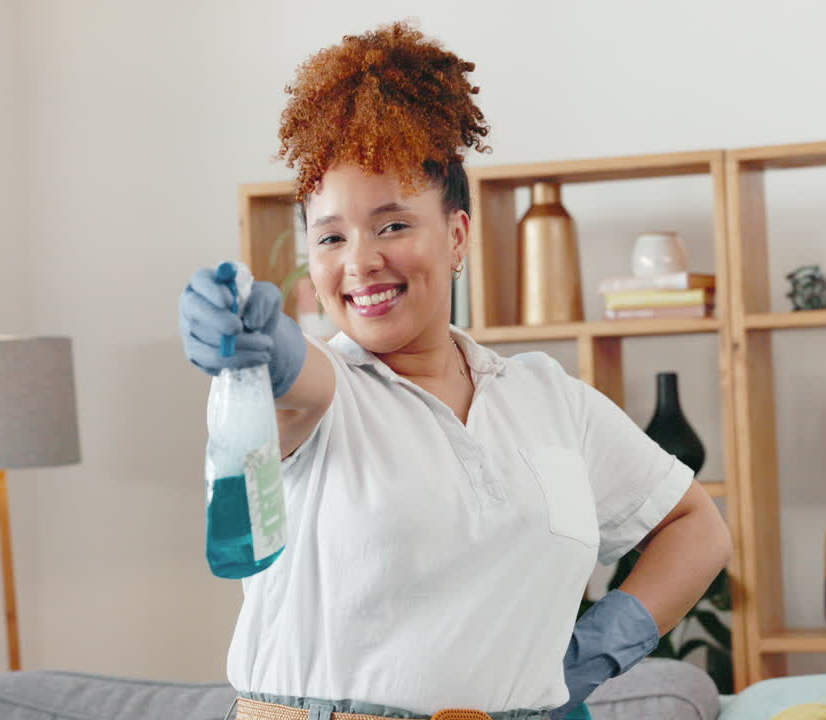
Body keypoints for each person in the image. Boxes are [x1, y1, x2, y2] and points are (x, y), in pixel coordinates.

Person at [179, 20, 732, 720]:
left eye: (392, 224)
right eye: (330, 237)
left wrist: (592, 652)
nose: (360, 261)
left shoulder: (547, 399)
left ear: (458, 235)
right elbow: (292, 381)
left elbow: (698, 527)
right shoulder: (328, 389)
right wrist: (251, 336)